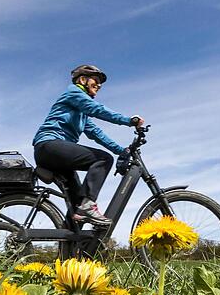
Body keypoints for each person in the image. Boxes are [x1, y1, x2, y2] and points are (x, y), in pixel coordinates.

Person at [33, 65, 144, 226]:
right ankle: (88, 205)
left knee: (77, 206)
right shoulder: (73, 93)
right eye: (96, 80)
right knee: (103, 159)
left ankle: (71, 244)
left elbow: (97, 134)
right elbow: (96, 109)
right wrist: (128, 121)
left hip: (57, 153)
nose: (99, 85)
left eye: (100, 83)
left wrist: (122, 151)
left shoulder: (81, 113)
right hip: (49, 145)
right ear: (83, 80)